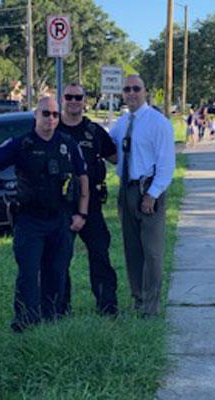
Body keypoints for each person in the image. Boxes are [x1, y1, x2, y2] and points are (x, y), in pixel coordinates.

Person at [0, 97, 89, 331]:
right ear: (36, 115)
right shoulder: (21, 144)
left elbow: (82, 178)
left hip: (60, 219)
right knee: (28, 272)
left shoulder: (68, 144)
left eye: (55, 115)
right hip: (30, 220)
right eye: (46, 113)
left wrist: (81, 214)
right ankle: (25, 321)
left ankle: (53, 318)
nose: (51, 119)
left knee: (56, 271)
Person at [110, 75, 175, 317]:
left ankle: (151, 307)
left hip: (148, 191)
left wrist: (152, 194)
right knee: (132, 250)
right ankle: (138, 299)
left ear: (145, 91)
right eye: (127, 89)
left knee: (152, 252)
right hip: (126, 190)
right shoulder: (121, 123)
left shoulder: (158, 123)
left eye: (136, 88)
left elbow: (167, 163)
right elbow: (111, 150)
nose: (131, 93)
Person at [58, 82, 119, 316]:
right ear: (63, 99)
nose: (74, 101)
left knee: (100, 253)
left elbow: (114, 157)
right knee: (60, 256)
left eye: (78, 97)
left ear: (85, 101)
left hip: (91, 204)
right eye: (69, 96)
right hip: (61, 204)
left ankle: (107, 305)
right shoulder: (54, 127)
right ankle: (60, 308)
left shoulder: (93, 132)